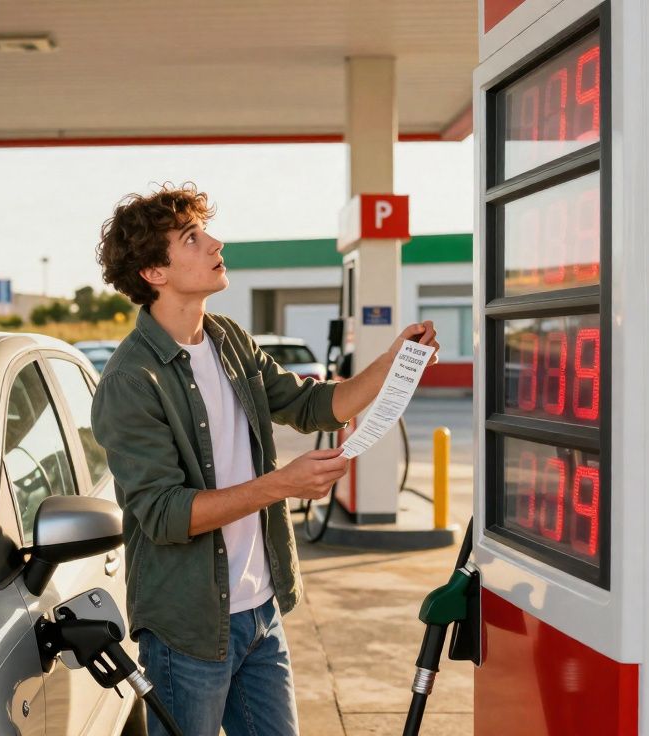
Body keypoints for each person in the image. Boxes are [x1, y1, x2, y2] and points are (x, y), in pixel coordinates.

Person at [91, 183, 440, 736]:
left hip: (260, 611)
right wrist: (280, 484)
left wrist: (395, 362)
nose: (215, 243)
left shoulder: (229, 339)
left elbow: (313, 405)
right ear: (154, 272)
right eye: (191, 238)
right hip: (188, 629)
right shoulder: (132, 381)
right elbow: (164, 514)